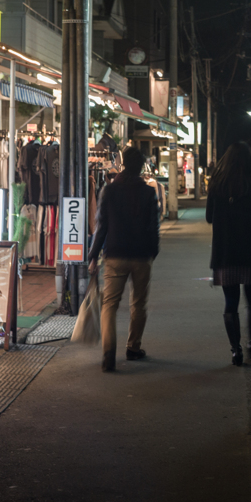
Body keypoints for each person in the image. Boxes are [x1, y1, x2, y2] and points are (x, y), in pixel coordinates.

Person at [87, 146, 160, 372]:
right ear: (141, 168)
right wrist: (152, 252)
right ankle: (133, 347)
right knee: (138, 303)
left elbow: (101, 227)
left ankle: (109, 353)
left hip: (115, 254)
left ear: (123, 164)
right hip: (141, 256)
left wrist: (93, 255)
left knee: (109, 304)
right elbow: (153, 228)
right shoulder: (149, 192)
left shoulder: (109, 190)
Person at [206, 142, 251, 365]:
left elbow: (208, 217)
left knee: (230, 301)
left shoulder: (216, 184)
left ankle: (236, 350)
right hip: (250, 251)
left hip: (225, 252)